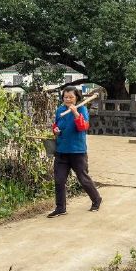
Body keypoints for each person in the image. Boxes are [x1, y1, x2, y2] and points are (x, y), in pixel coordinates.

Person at [47, 86, 102, 218]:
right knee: (59, 180)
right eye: (65, 97)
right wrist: (55, 130)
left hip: (77, 151)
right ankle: (60, 208)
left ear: (77, 97)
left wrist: (76, 113)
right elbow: (56, 126)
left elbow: (83, 127)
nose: (68, 99)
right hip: (61, 151)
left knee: (83, 178)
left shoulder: (82, 109)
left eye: (71, 97)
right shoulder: (60, 110)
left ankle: (96, 199)